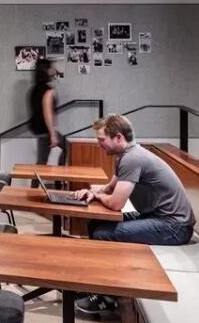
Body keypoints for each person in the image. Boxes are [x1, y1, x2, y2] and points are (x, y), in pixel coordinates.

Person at [73, 114, 196, 315]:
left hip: (175, 227)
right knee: (95, 224)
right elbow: (109, 188)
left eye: (101, 139)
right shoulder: (124, 156)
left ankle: (107, 297)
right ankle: (97, 285)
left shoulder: (132, 158)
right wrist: (91, 193)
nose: (98, 144)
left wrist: (98, 195)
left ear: (118, 137)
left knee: (103, 234)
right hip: (157, 217)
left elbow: (116, 203)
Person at [28, 59, 63, 185]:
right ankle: (58, 181)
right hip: (45, 131)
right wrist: (53, 134)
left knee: (41, 162)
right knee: (41, 163)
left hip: (39, 130)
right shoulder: (48, 90)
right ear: (46, 70)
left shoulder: (34, 89)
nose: (54, 70)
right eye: (51, 68)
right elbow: (48, 113)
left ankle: (58, 181)